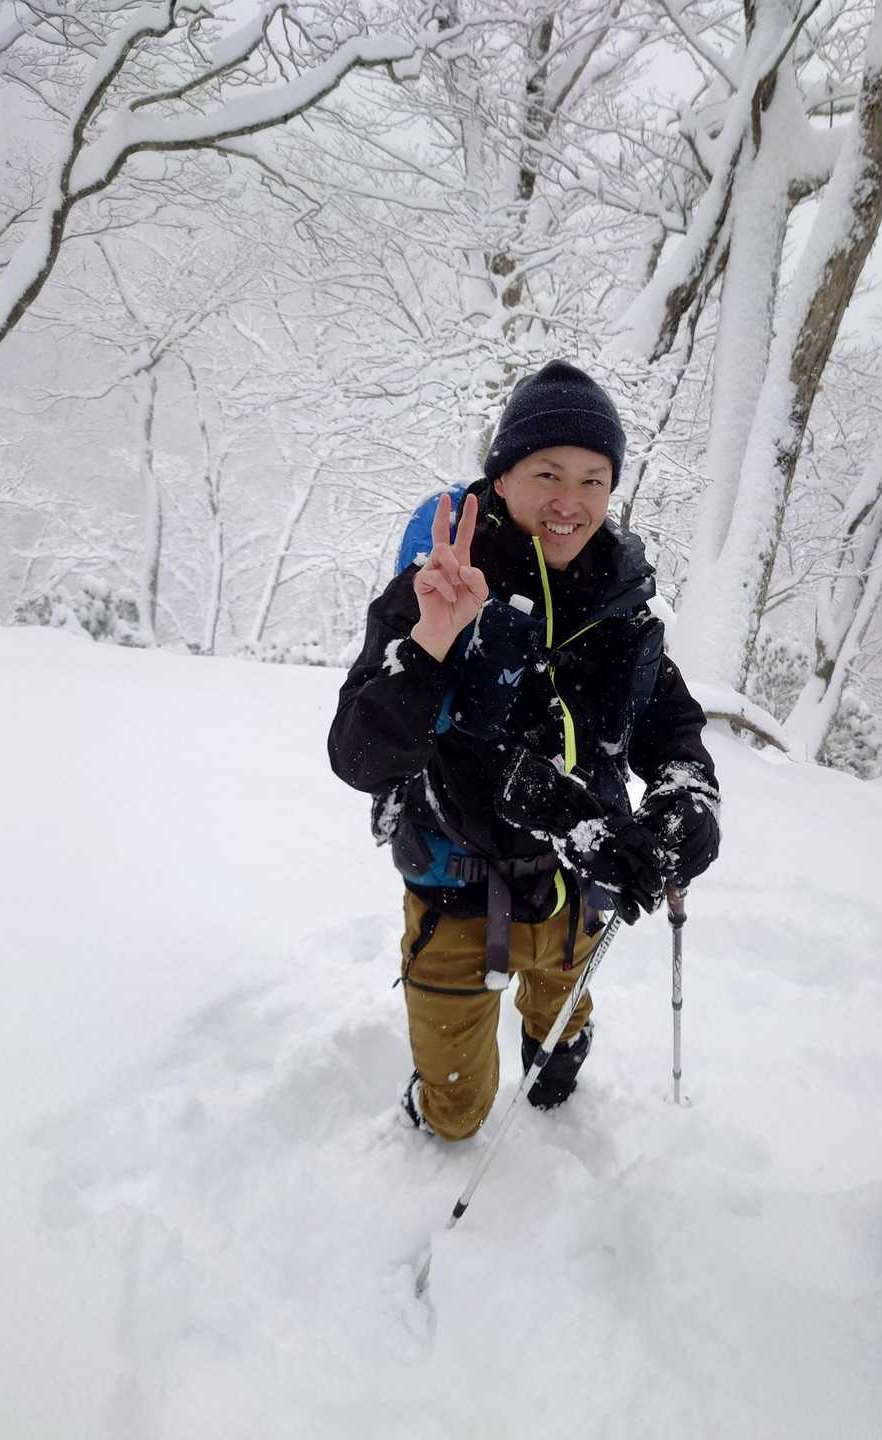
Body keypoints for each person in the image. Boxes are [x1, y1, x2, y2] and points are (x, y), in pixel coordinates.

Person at [328, 360, 720, 1140]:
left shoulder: (619, 602)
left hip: (579, 893)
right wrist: (431, 644)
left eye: (593, 479)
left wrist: (688, 793)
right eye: (547, 474)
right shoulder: (439, 584)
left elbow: (668, 721)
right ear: (502, 478)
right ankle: (437, 1104)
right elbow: (358, 756)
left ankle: (556, 1056)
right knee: (457, 1116)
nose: (570, 502)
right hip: (458, 894)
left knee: (558, 1058)